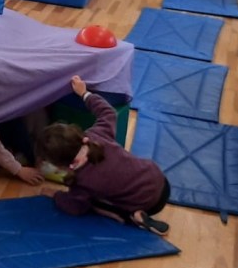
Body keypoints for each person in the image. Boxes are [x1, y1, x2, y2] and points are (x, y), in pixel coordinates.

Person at [37, 75, 171, 234]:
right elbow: (108, 112)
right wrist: (85, 94)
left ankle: (130, 216)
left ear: (62, 166)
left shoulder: (81, 181)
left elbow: (76, 207)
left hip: (149, 204)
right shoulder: (96, 135)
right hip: (159, 178)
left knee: (93, 202)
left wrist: (56, 195)